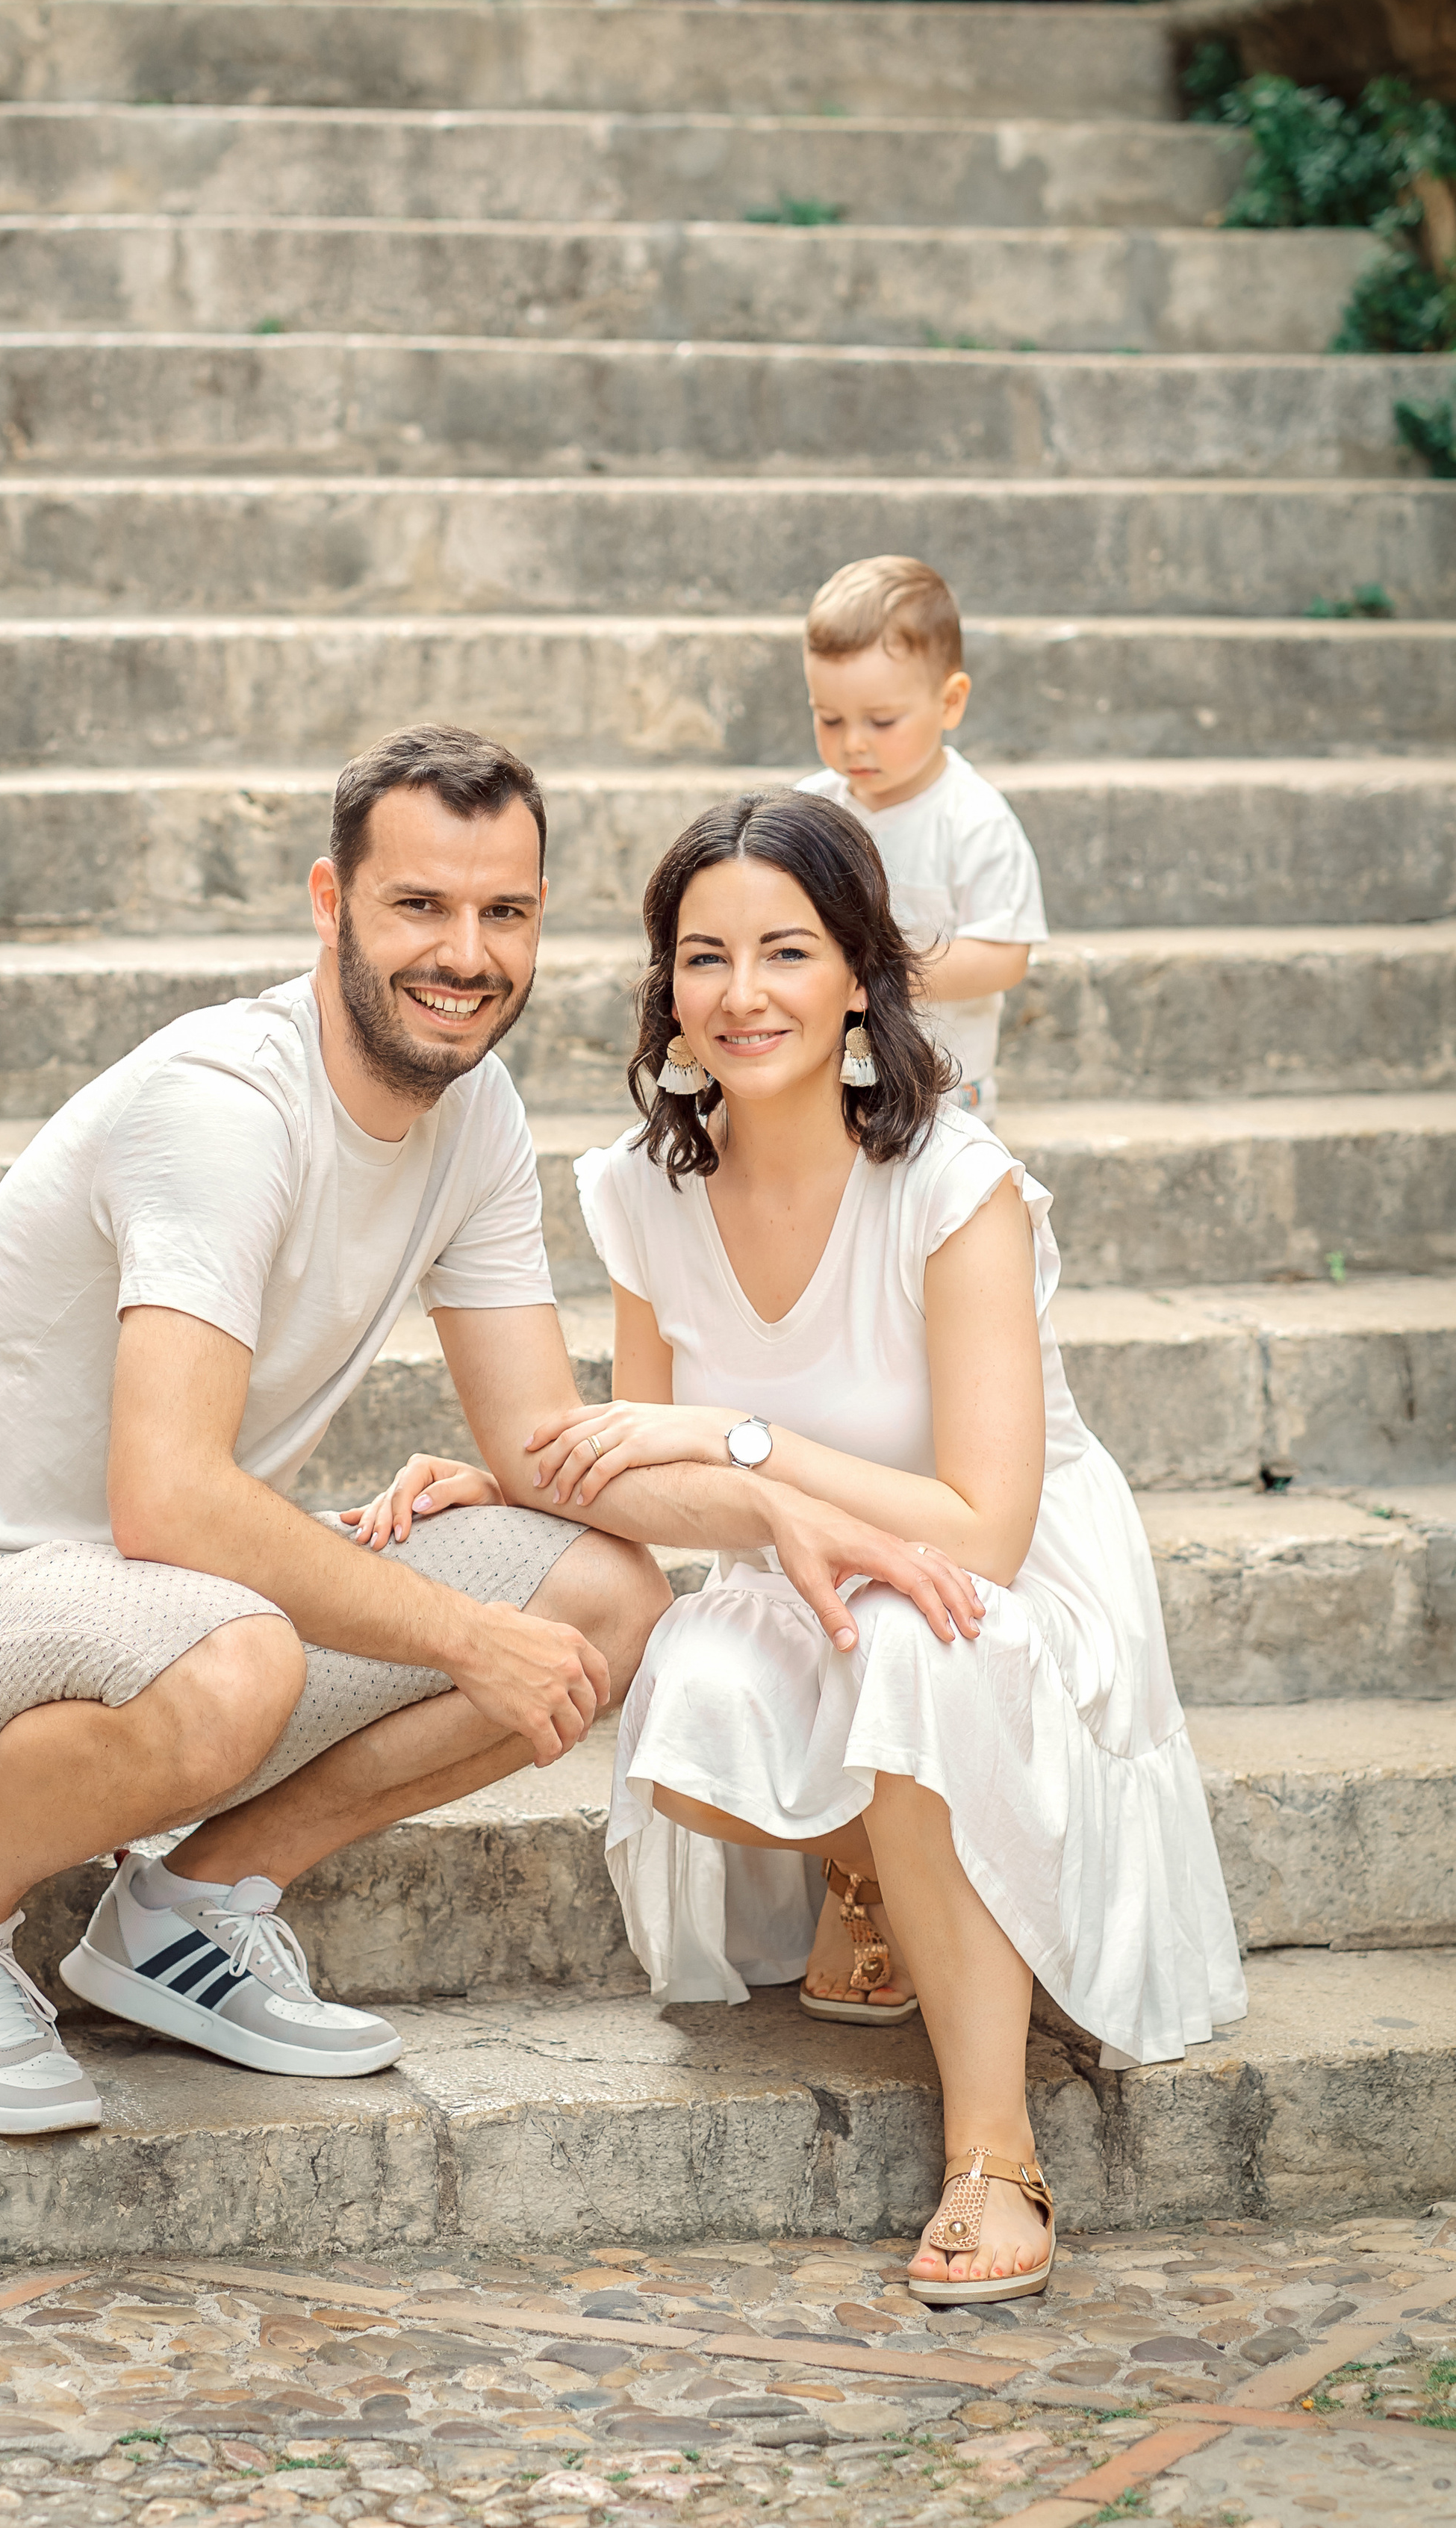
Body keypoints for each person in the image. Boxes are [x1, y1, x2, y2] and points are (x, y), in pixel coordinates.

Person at [0, 724, 977, 2145]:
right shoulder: (226, 1107)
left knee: (604, 1591)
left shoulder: (471, 1109)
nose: (465, 954)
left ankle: (184, 1914)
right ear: (329, 901)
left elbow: (547, 1443)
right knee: (239, 1653)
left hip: (154, 1623)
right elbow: (168, 1496)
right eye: (419, 906)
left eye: (505, 913)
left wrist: (772, 1502)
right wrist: (461, 1635)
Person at [525, 789, 1244, 2305]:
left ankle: (991, 2142)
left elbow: (977, 1522)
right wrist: (492, 1472)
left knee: (922, 1633)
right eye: (702, 955)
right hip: (796, 1560)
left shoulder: (949, 1182)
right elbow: (645, 1483)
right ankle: (873, 1873)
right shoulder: (644, 1192)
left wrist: (748, 1449)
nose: (740, 992)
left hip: (1009, 1569)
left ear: (858, 969)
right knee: (680, 1683)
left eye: (784, 949)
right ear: (667, 987)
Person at [797, 554, 1047, 1123]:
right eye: (829, 719)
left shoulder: (973, 818)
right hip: (831, 1081)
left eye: (881, 722)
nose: (854, 744)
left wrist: (880, 976)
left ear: (950, 701)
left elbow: (1005, 955)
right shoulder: (812, 808)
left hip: (942, 1087)